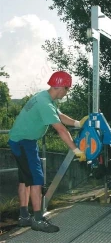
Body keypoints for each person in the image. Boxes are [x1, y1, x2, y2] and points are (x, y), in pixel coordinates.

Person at [8, 71, 88, 233]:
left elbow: (60, 117)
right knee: (37, 179)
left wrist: (78, 124)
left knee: (25, 179)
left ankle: (24, 217)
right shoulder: (45, 103)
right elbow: (60, 129)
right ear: (61, 87)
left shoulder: (45, 97)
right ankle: (38, 220)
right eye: (67, 89)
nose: (67, 92)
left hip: (19, 140)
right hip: (25, 142)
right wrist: (76, 150)